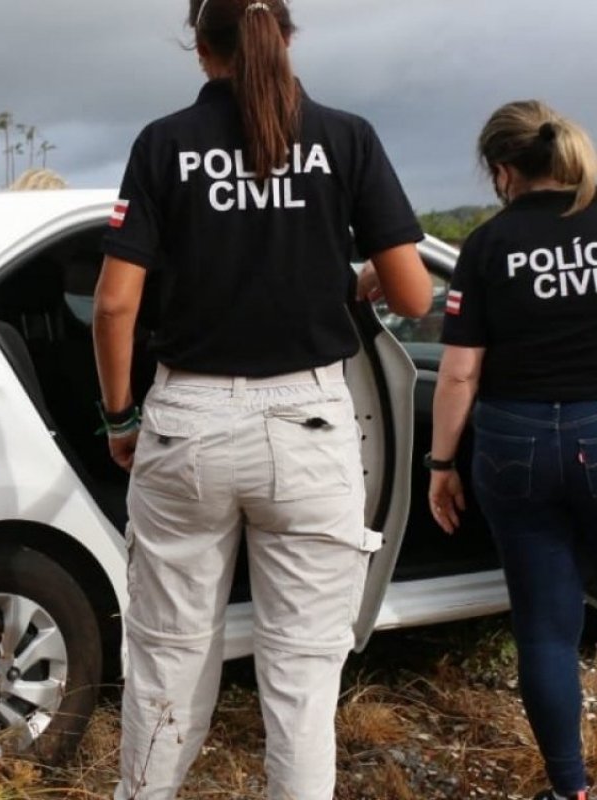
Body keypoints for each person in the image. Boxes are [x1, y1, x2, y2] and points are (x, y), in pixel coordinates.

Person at [93, 1, 432, 798]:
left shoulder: (163, 143)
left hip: (186, 425)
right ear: (285, 39)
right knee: (302, 684)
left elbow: (113, 305)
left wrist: (119, 417)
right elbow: (414, 295)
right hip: (310, 426)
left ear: (199, 47)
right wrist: (346, 278)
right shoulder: (347, 136)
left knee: (167, 664)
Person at [428, 100, 597, 800]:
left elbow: (461, 371)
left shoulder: (488, 245)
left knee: (548, 631)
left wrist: (440, 465)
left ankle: (570, 790)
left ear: (502, 171)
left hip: (513, 443)